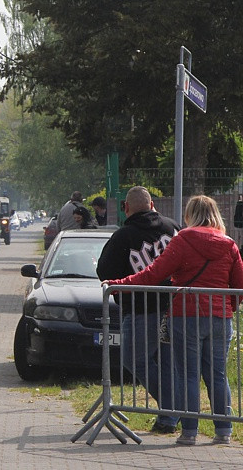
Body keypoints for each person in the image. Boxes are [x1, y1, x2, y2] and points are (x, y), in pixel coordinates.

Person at [107, 195, 243, 446]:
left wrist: (119, 284)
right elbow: (239, 284)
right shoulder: (229, 244)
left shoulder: (183, 240)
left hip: (187, 315)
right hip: (220, 317)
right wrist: (228, 308)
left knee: (188, 374)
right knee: (218, 375)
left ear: (190, 215)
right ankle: (223, 431)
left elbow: (153, 273)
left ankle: (189, 432)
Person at [96, 186, 180, 434]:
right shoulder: (172, 227)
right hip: (175, 306)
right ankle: (169, 417)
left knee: (135, 359)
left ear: (126, 208)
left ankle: (171, 409)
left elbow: (105, 272)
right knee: (166, 362)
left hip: (141, 308)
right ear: (152, 203)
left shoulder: (124, 236)